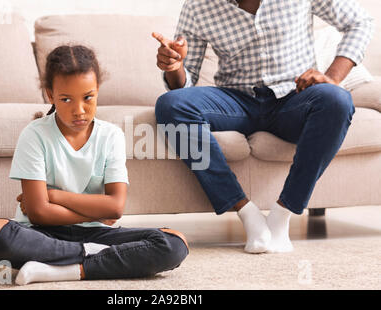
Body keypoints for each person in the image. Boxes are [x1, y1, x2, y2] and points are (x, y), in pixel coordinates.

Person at [152, 0, 373, 253]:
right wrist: (175, 66)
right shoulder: (198, 6)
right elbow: (183, 82)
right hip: (236, 102)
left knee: (337, 99)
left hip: (293, 100)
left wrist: (332, 77)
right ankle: (246, 212)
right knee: (171, 105)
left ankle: (282, 214)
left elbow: (359, 22)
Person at [0, 45, 189, 285]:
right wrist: (96, 209)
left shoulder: (112, 136)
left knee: (174, 241)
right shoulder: (34, 135)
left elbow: (115, 208)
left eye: (88, 97)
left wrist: (53, 195)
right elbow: (38, 213)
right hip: (42, 233)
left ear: (97, 91)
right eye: (66, 99)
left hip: (97, 233)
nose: (79, 111)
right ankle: (94, 256)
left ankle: (66, 270)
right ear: (50, 94)